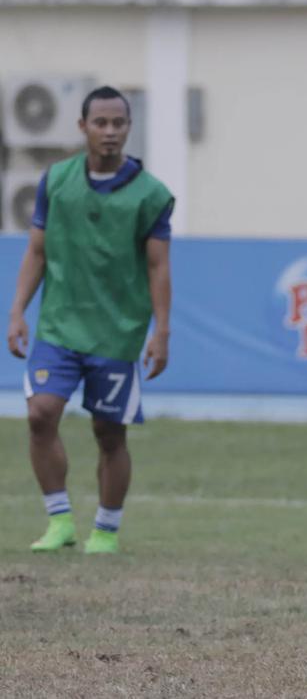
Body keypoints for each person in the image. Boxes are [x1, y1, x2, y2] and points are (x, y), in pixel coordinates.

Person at [6, 86, 174, 555]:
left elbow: (159, 266)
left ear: (128, 128)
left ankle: (106, 529)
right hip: (58, 327)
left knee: (108, 431)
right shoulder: (56, 181)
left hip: (116, 332)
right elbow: (37, 251)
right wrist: (18, 311)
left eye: (118, 123)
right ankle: (59, 520)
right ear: (82, 127)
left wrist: (161, 331)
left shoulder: (151, 195)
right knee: (40, 414)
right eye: (100, 122)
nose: (110, 131)